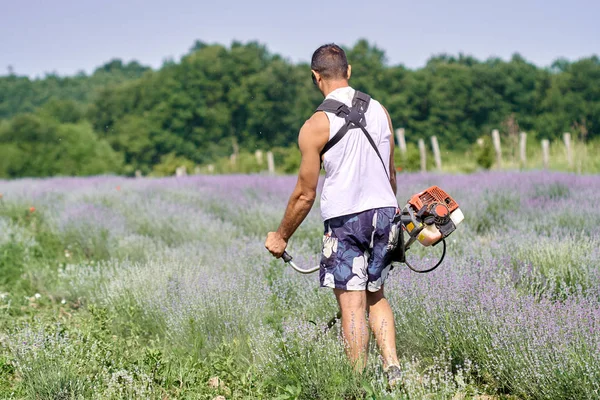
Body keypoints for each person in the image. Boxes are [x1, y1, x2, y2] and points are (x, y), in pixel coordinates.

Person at [264, 43, 403, 387]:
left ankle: (358, 384)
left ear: (315, 77)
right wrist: (386, 216)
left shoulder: (315, 124)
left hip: (345, 220)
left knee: (352, 304)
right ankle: (393, 369)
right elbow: (391, 172)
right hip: (385, 212)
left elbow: (304, 194)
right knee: (377, 293)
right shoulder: (381, 110)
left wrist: (281, 236)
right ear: (349, 71)